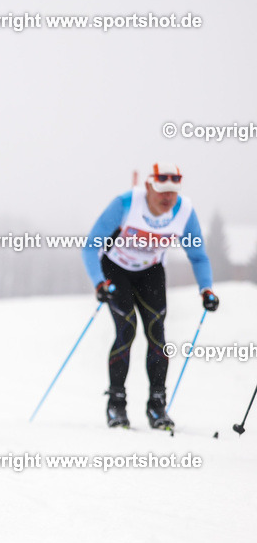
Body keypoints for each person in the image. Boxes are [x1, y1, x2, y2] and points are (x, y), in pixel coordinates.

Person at [82, 162, 218, 430]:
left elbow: (198, 255)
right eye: (161, 192)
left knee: (157, 334)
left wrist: (207, 289)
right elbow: (90, 246)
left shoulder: (184, 212)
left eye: (173, 193)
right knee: (127, 329)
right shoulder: (125, 204)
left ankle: (157, 407)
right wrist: (99, 283)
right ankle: (116, 405)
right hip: (116, 269)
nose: (167, 198)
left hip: (150, 272)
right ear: (148, 187)